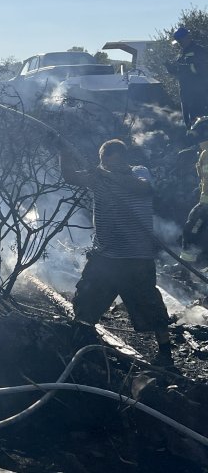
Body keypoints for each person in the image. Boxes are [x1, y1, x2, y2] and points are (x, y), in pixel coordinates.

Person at [59, 139, 174, 367]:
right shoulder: (98, 178)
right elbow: (71, 176)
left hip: (137, 256)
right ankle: (83, 347)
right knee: (86, 301)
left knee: (151, 306)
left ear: (123, 157)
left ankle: (166, 354)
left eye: (113, 161)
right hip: (106, 256)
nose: (109, 165)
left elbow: (142, 188)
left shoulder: (139, 172)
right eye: (106, 163)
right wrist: (63, 151)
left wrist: (108, 175)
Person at [166, 27, 208, 128]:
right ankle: (191, 137)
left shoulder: (199, 50)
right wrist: (169, 67)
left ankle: (201, 140)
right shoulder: (181, 53)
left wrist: (186, 67)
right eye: (178, 41)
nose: (179, 43)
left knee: (200, 120)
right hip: (185, 92)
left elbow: (202, 69)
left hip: (198, 93)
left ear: (187, 38)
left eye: (180, 40)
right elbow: (178, 72)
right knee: (188, 119)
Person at [180, 116, 208, 269]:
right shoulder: (204, 153)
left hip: (206, 204)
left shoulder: (206, 153)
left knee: (191, 231)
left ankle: (186, 268)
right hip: (205, 201)